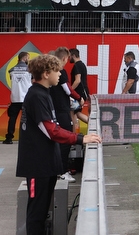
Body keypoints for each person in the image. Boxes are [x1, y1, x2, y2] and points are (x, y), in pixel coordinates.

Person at [16, 54, 102, 235]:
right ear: (46, 74)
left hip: (45, 164)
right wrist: (81, 139)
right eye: (57, 71)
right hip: (37, 165)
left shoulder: (43, 94)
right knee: (36, 212)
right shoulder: (37, 95)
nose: (60, 74)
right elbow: (51, 131)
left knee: (42, 209)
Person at [49, 47, 83, 180]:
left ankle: (58, 169)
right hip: (60, 110)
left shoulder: (52, 73)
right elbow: (68, 89)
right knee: (65, 139)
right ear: (64, 58)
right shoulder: (60, 71)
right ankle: (62, 171)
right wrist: (79, 97)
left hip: (55, 109)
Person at [4, 51, 32, 144]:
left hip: (15, 98)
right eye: (28, 57)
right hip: (26, 98)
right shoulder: (29, 70)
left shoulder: (12, 70)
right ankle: (27, 138)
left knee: (12, 119)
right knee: (27, 119)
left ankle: (9, 138)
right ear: (24, 58)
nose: (29, 59)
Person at [69, 48, 91, 124]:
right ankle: (76, 131)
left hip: (79, 93)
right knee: (75, 113)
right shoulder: (82, 65)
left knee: (74, 113)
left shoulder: (77, 66)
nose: (69, 58)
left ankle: (90, 123)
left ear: (73, 56)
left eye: (69, 56)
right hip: (83, 92)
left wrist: (70, 91)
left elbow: (77, 80)